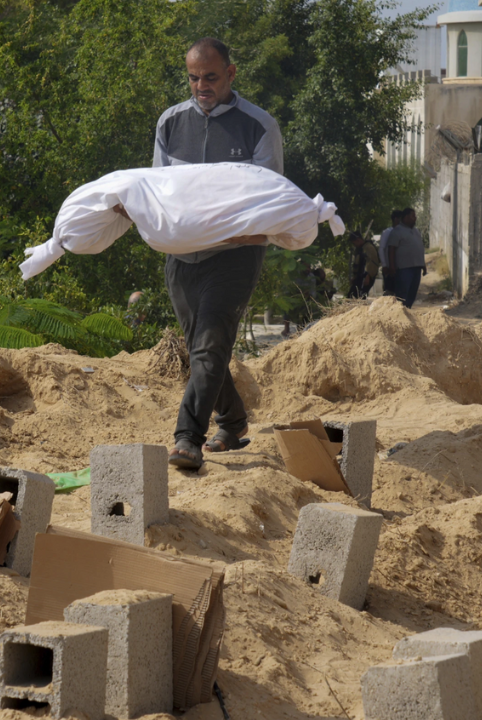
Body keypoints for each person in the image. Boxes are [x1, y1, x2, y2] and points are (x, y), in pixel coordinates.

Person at [150, 37, 283, 469]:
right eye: (193, 77)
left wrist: (249, 233)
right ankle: (233, 419)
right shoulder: (170, 123)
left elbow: (269, 196)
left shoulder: (258, 126)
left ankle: (188, 437)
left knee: (208, 348)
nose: (201, 86)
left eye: (210, 76)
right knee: (203, 349)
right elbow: (158, 189)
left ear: (231, 72)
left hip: (234, 257)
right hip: (182, 258)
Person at [384, 208, 427, 308]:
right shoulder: (397, 231)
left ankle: (407, 312)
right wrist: (392, 266)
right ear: (406, 217)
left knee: (412, 294)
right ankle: (400, 314)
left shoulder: (416, 231)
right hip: (404, 269)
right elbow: (391, 249)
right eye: (413, 216)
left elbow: (419, 248)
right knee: (402, 295)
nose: (415, 218)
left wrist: (423, 265)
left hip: (417, 268)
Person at [378, 209, 406, 296]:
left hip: (400, 267)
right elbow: (382, 249)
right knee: (389, 292)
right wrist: (385, 265)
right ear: (395, 219)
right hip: (390, 268)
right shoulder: (387, 232)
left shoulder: (403, 232)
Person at [347, 231, 380, 299]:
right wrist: (355, 277)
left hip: (366, 277)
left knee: (361, 296)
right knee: (352, 295)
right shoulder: (361, 248)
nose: (354, 245)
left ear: (358, 240)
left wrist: (368, 276)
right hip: (360, 277)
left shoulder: (369, 248)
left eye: (354, 243)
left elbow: (372, 263)